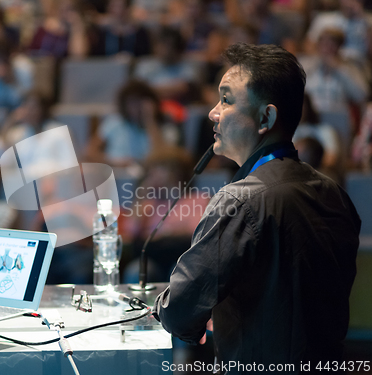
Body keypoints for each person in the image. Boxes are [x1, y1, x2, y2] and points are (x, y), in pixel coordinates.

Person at [153, 43, 361, 370]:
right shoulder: (335, 194)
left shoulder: (239, 200)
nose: (213, 112)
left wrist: (174, 311)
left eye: (226, 99)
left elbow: (179, 312)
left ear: (266, 117)